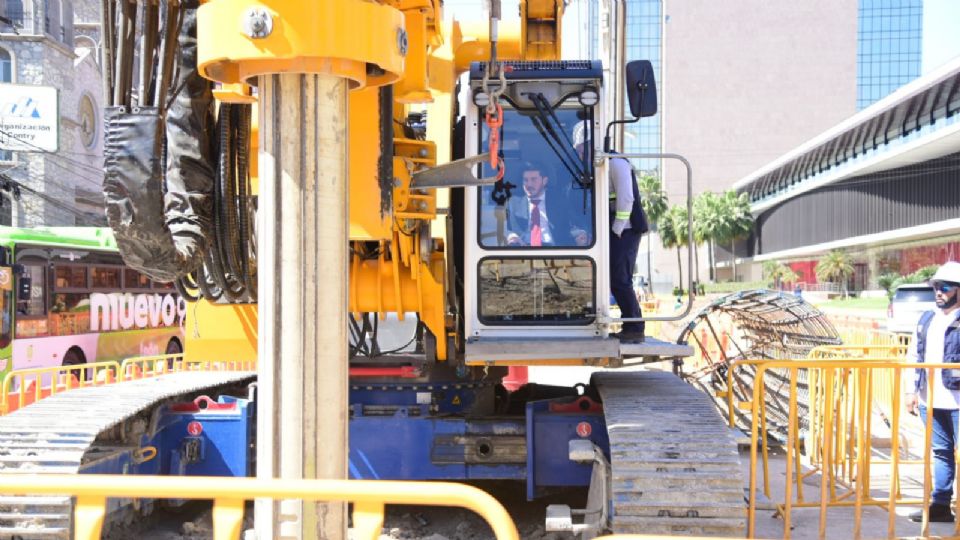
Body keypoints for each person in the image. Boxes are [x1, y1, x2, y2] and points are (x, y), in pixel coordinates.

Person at [572, 120, 648, 343]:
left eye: (580, 150)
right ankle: (629, 324)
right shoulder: (598, 166)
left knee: (620, 278)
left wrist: (616, 230)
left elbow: (626, 199)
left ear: (590, 146)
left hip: (626, 229)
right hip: (613, 230)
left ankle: (634, 327)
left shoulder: (615, 163)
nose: (579, 155)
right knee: (612, 278)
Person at [905, 261, 960, 523]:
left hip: (957, 401)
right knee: (940, 452)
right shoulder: (926, 319)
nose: (939, 292)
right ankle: (939, 505)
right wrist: (911, 391)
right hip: (931, 400)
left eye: (945, 287)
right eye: (936, 287)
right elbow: (914, 355)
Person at [505, 161, 589, 247]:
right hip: (524, 251)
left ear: (544, 181)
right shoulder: (513, 202)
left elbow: (576, 224)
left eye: (533, 179)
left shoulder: (560, 201)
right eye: (525, 180)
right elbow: (504, 228)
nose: (529, 184)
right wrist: (512, 237)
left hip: (553, 251)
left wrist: (581, 235)